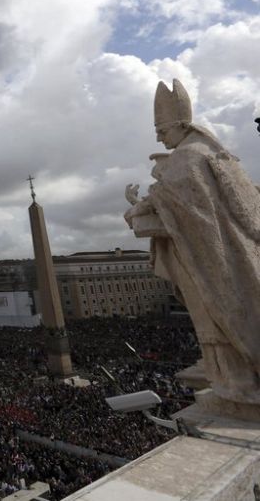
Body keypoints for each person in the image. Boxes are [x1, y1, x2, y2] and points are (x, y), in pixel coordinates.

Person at [126, 79, 260, 404]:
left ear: (182, 124)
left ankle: (237, 384)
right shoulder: (209, 156)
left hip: (207, 260)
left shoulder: (187, 161)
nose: (159, 135)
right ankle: (234, 380)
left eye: (163, 128)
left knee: (215, 319)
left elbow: (177, 207)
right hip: (214, 255)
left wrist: (138, 207)